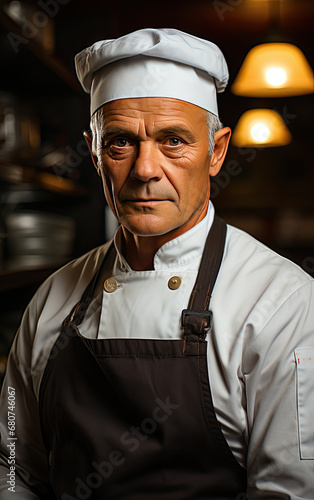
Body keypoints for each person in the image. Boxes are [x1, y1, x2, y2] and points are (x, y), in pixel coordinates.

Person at [0, 28, 313, 500]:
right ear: (94, 152)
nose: (145, 169)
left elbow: (291, 490)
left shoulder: (282, 301)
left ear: (217, 151)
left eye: (172, 141)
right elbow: (14, 472)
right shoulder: (51, 300)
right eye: (121, 142)